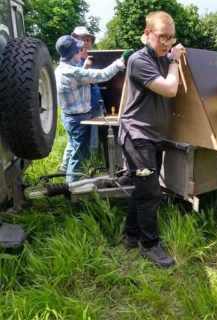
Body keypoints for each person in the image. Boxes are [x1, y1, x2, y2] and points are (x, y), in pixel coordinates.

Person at [118, 11, 185, 267]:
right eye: (162, 37)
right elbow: (169, 89)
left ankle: (132, 237)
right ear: (147, 34)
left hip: (153, 136)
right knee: (150, 194)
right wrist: (175, 61)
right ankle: (149, 245)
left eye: (171, 37)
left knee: (141, 189)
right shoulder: (139, 60)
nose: (167, 43)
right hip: (138, 136)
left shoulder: (162, 58)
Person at [55, 35, 128, 182]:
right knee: (79, 155)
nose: (81, 51)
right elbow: (103, 75)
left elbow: (81, 79)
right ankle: (74, 188)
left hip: (70, 117)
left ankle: (73, 182)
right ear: (72, 53)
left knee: (77, 151)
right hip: (78, 119)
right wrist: (121, 61)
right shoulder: (72, 72)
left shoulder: (61, 69)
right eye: (79, 49)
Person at [60, 27, 100, 173]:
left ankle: (87, 169)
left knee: (91, 142)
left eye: (88, 40)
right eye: (82, 39)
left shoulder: (95, 57)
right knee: (77, 144)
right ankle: (70, 172)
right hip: (79, 110)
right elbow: (83, 79)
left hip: (95, 105)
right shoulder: (72, 61)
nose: (85, 43)